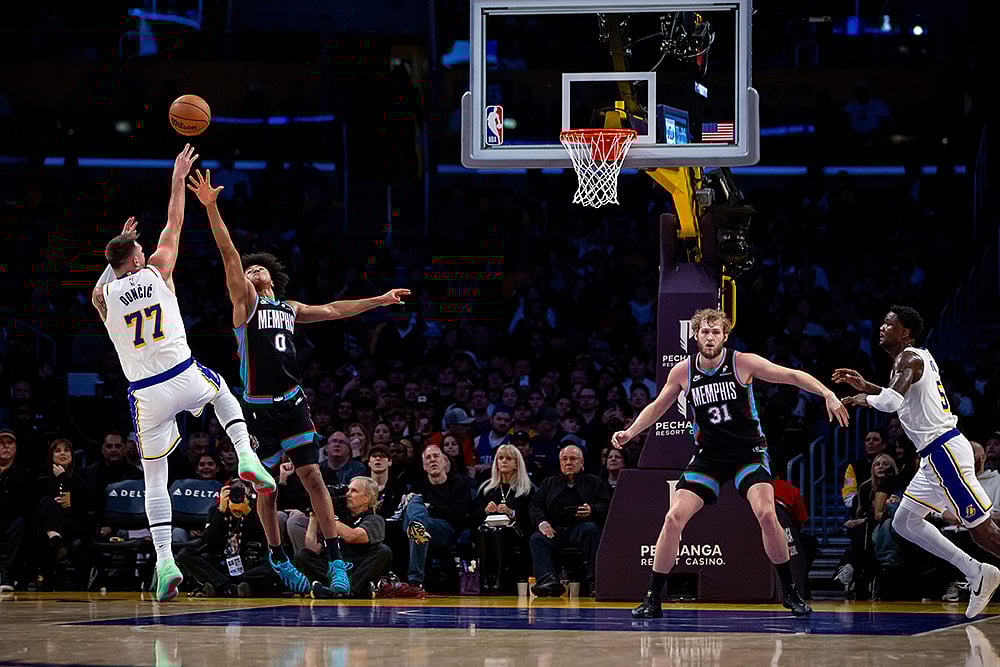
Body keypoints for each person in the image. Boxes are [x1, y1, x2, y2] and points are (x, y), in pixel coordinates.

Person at [186, 167, 408, 596]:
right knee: (266, 489)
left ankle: (337, 561)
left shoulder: (288, 307)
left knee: (313, 478)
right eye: (246, 271)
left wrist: (379, 300)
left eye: (256, 269)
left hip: (291, 401)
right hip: (256, 407)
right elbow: (230, 255)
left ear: (271, 276)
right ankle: (277, 556)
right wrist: (212, 209)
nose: (249, 271)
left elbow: (333, 310)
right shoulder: (245, 306)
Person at [91, 146, 276, 602]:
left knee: (156, 478)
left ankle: (165, 562)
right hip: (182, 372)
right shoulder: (157, 271)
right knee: (223, 394)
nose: (145, 250)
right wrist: (177, 178)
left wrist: (115, 253)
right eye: (139, 249)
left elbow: (101, 286)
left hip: (145, 395)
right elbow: (174, 225)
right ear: (137, 260)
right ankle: (246, 456)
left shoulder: (106, 299)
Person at [615, 308, 849, 618]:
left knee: (767, 513)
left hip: (747, 452)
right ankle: (652, 598)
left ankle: (789, 591)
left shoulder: (742, 363)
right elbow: (658, 406)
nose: (709, 337)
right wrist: (631, 432)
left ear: (725, 336)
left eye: (715, 332)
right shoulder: (683, 372)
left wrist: (827, 393)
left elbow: (791, 375)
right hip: (709, 456)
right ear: (695, 336)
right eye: (704, 332)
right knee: (673, 518)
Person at [835, 305, 1000, 618]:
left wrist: (863, 398)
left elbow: (889, 402)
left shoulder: (908, 358)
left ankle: (981, 572)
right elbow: (896, 394)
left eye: (889, 323)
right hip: (932, 458)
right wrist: (867, 386)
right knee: (905, 522)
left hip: (944, 452)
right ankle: (977, 572)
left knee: (983, 531)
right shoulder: (911, 360)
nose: (882, 327)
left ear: (905, 333)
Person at [528, 444, 609, 597]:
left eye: (573, 459)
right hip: (555, 529)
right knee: (537, 539)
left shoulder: (595, 482)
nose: (568, 462)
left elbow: (606, 505)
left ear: (581, 462)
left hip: (581, 527)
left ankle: (595, 580)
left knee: (591, 529)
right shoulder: (548, 483)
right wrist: (542, 522)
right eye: (564, 459)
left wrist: (592, 509)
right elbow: (535, 505)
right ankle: (549, 580)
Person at [175, 479, 279, 597]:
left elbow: (263, 540)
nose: (236, 496)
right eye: (232, 493)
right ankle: (233, 587)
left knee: (274, 568)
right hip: (220, 564)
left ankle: (221, 586)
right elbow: (208, 541)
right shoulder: (216, 511)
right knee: (185, 554)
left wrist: (248, 512)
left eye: (241, 493)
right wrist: (221, 512)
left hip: (248, 566)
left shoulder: (255, 512)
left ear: (249, 494)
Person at [299, 477, 393, 598]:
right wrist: (314, 516)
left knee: (384, 551)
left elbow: (352, 536)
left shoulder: (374, 519)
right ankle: (340, 589)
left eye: (354, 491)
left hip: (357, 568)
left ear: (367, 498)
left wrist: (328, 516)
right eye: (348, 490)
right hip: (332, 569)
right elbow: (312, 548)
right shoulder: (341, 517)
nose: (348, 494)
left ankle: (345, 589)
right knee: (303, 555)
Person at [475, 444, 535, 593]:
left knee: (499, 532)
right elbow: (474, 514)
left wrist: (511, 512)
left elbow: (531, 516)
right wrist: (485, 511)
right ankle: (484, 578)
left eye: (508, 458)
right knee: (482, 529)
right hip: (489, 529)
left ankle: (500, 578)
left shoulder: (526, 489)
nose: (503, 461)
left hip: (517, 531)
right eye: (500, 458)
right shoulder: (487, 488)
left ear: (516, 464)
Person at [0, 428, 35, 592]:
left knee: (21, 524)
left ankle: (6, 572)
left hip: (14, 522)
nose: (5, 446)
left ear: (15, 447)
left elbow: (27, 506)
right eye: (1, 443)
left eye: (9, 443)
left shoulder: (24, 474)